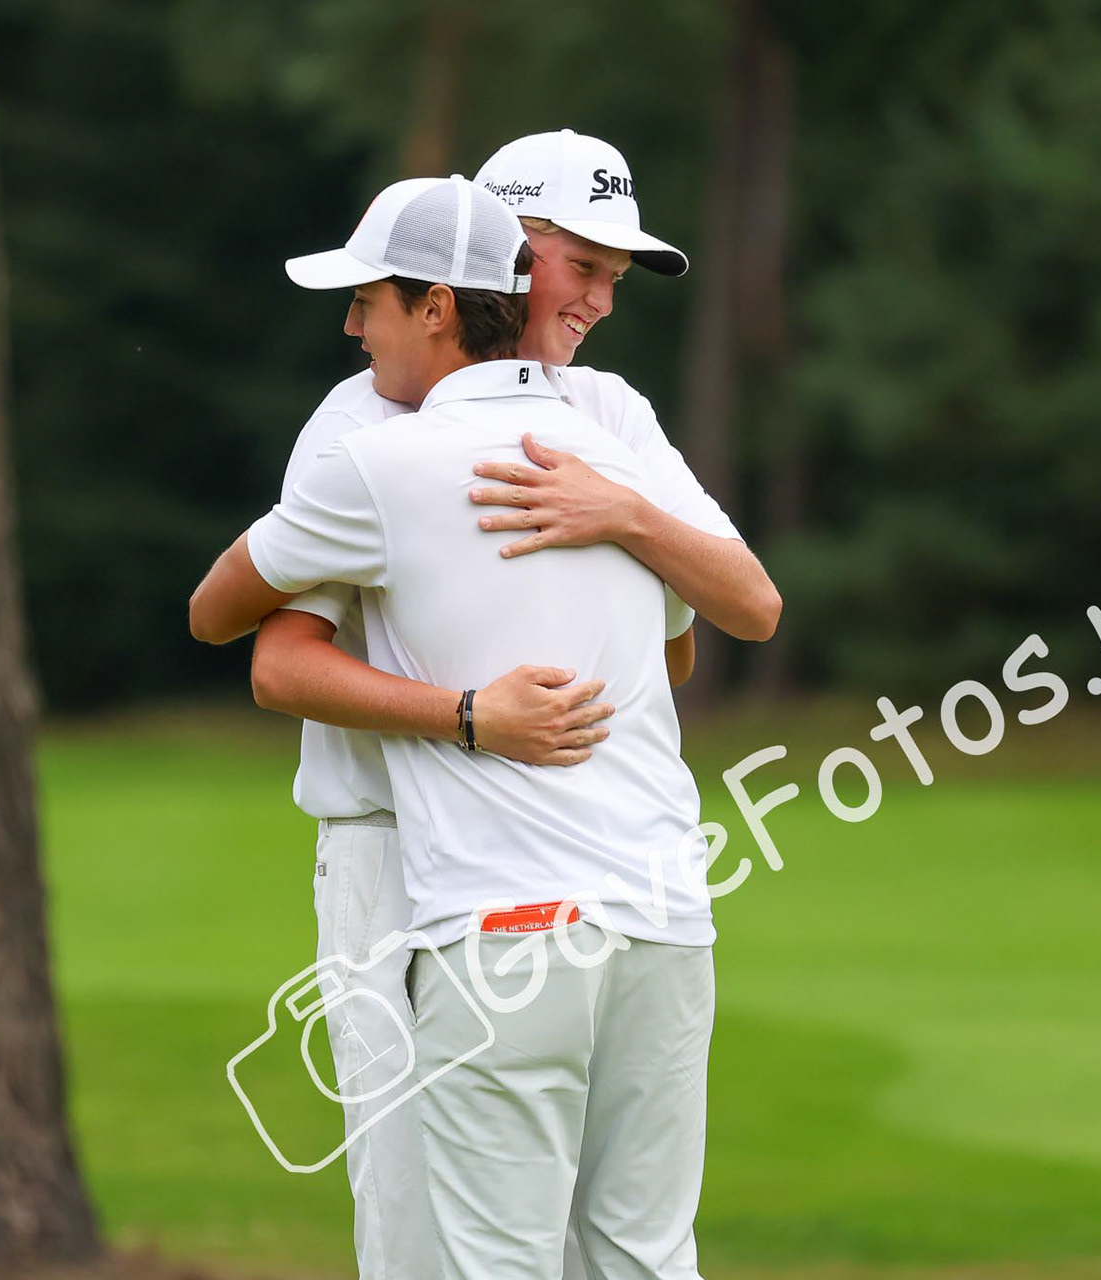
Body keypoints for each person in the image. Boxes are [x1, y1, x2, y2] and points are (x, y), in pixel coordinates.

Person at [190, 173, 755, 1279]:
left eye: (610, 274)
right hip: (428, 860)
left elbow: (226, 622)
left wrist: (623, 521)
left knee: (520, 1257)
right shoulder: (358, 420)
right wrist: (473, 710)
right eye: (580, 264)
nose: (595, 296)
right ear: (514, 255)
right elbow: (689, 639)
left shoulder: (605, 426)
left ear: (439, 301)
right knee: (441, 1237)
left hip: (508, 901)